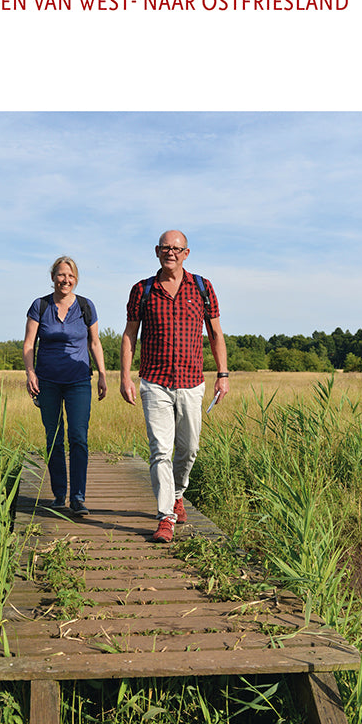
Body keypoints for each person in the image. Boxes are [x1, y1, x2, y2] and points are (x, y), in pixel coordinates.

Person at [120, 230, 229, 542]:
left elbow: (216, 333)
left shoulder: (202, 287)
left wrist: (223, 374)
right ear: (157, 251)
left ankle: (177, 493)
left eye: (177, 248)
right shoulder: (142, 290)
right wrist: (124, 375)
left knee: (189, 448)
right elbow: (130, 335)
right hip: (155, 382)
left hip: (192, 382)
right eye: (166, 248)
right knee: (160, 451)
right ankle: (165, 515)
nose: (171, 253)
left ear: (187, 253)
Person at [23, 256, 107, 515]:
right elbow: (29, 344)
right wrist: (30, 372)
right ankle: (59, 495)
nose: (65, 280)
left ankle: (78, 498)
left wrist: (103, 373)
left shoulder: (85, 306)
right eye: (60, 275)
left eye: (70, 276)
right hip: (47, 381)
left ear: (76, 279)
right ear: (53, 278)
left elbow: (94, 342)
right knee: (54, 437)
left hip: (79, 381)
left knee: (79, 438)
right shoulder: (40, 305)